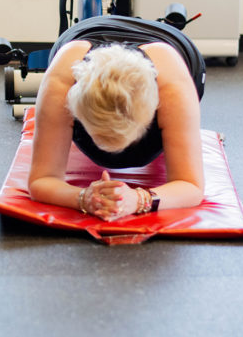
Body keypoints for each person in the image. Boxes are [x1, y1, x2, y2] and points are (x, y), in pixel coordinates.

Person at [28, 15, 206, 221]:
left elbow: (191, 186)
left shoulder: (172, 86)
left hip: (167, 42)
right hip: (87, 32)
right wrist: (83, 198)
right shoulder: (62, 79)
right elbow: (41, 179)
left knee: (179, 119)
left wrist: (141, 199)